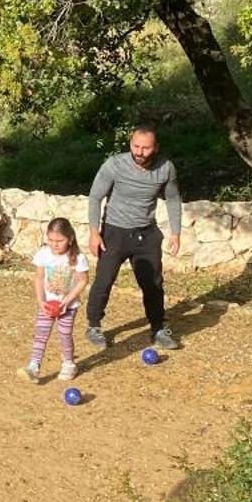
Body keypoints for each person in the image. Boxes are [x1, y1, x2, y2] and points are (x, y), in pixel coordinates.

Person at [84, 127, 183, 352]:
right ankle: (94, 325)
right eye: (136, 146)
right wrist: (94, 232)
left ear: (155, 148)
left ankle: (158, 328)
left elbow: (173, 198)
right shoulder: (115, 165)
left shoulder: (165, 168)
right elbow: (95, 197)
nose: (139, 152)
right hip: (114, 232)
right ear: (130, 144)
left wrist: (176, 232)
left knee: (153, 284)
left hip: (146, 234)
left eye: (145, 147)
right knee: (104, 279)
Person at [25, 217, 90, 383]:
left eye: (60, 240)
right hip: (47, 304)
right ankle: (34, 365)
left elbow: (83, 280)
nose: (55, 244)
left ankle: (69, 364)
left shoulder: (78, 257)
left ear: (70, 239)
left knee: (65, 334)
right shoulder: (43, 254)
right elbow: (39, 278)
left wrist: (66, 302)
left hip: (68, 306)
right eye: (51, 240)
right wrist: (41, 301)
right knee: (41, 333)